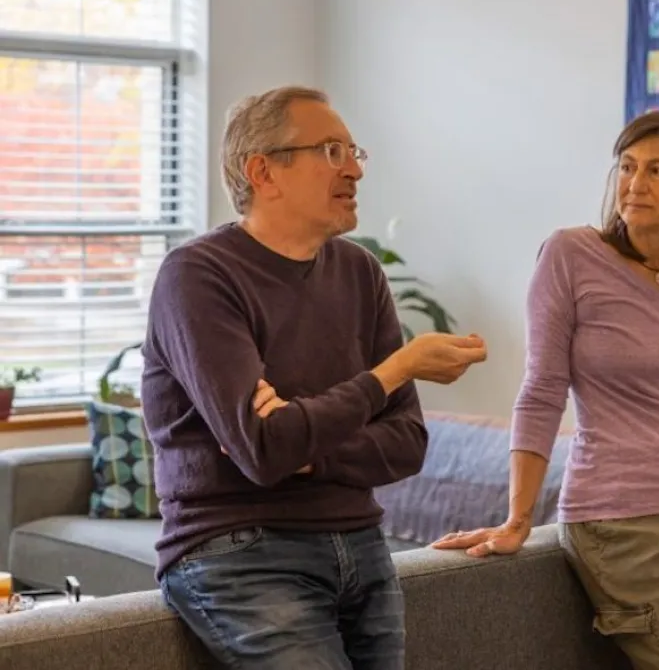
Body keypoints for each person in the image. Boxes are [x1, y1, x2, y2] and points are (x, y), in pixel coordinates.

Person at [140, 85, 488, 670]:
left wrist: (306, 446)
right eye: (331, 151)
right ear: (263, 171)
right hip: (239, 550)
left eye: (354, 152)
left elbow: (407, 443)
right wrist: (393, 371)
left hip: (362, 542)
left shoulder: (359, 271)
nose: (354, 169)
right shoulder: (197, 276)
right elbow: (265, 447)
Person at [432, 109, 659, 670]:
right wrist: (518, 516)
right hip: (625, 521)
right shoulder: (572, 255)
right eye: (627, 166)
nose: (635, 184)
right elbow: (542, 389)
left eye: (658, 170)